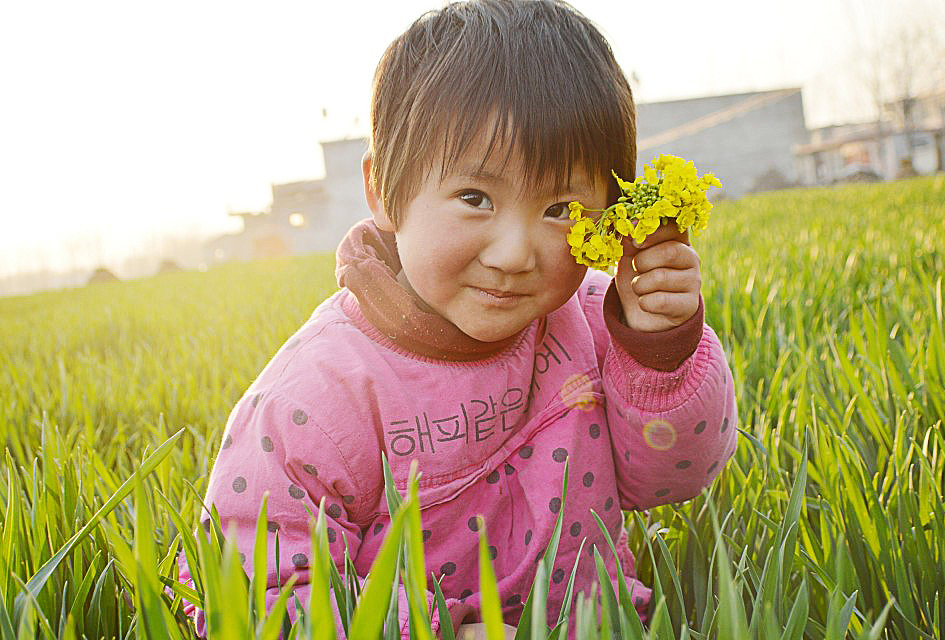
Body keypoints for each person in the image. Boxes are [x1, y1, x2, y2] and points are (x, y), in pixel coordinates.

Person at [179, 1, 738, 637]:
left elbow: (675, 476)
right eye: (475, 198)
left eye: (561, 209)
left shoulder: (592, 321)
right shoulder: (319, 394)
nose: (513, 253)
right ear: (385, 190)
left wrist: (658, 349)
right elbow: (251, 593)